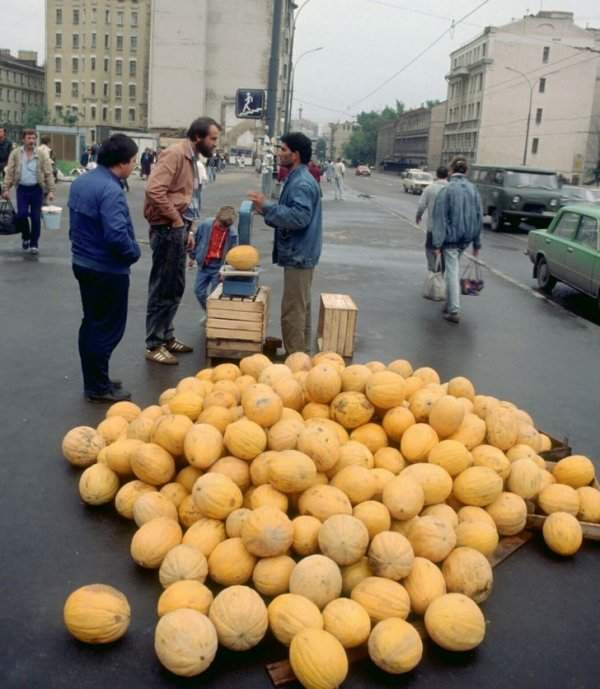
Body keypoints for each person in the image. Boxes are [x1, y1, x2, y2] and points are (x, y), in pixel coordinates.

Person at [68, 134, 141, 403]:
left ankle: (97, 378)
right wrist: (134, 252)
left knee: (91, 323)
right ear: (121, 163)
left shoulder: (82, 182)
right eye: (133, 161)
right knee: (107, 328)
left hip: (83, 262)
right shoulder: (111, 190)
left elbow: (74, 224)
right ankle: (98, 386)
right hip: (107, 269)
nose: (134, 166)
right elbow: (116, 236)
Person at [143, 116, 221, 365]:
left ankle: (166, 336)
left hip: (178, 228)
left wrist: (187, 230)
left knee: (175, 286)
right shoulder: (175, 154)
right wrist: (176, 221)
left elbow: (190, 200)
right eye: (213, 138)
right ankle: (154, 343)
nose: (215, 144)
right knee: (162, 287)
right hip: (166, 228)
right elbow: (154, 190)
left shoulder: (193, 159)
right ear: (197, 137)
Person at [248, 132, 322, 355]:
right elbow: (290, 215)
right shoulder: (298, 177)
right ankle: (301, 355)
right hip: (301, 253)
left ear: (295, 155)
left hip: (299, 254)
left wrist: (268, 206)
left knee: (293, 311)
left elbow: (299, 218)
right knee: (301, 309)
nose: (279, 153)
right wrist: (266, 211)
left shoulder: (301, 183)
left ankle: (295, 360)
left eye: (283, 149)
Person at [431, 157, 483, 324]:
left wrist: (437, 244)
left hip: (450, 238)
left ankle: (453, 310)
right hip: (466, 237)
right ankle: (449, 304)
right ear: (466, 171)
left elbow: (440, 218)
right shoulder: (473, 189)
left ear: (451, 170)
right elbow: (479, 216)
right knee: (451, 269)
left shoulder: (447, 190)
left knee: (451, 272)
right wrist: (477, 243)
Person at [2, 129, 55, 254]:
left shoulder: (41, 154)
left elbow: (48, 172)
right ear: (23, 139)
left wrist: (51, 191)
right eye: (29, 138)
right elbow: (10, 172)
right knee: (22, 214)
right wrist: (6, 189)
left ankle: (34, 243)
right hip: (22, 189)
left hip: (37, 189)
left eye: (33, 138)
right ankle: (26, 236)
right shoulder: (16, 153)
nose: (32, 141)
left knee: (36, 217)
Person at [191, 206, 238, 313]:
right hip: (204, 265)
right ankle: (209, 312)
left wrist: (225, 270)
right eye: (219, 225)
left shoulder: (232, 234)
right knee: (199, 291)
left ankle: (212, 316)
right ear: (216, 218)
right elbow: (197, 240)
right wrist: (192, 256)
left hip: (218, 267)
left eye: (223, 228)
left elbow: (232, 254)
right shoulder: (206, 225)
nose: (220, 228)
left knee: (214, 295)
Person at [416, 166, 448, 271]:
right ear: (447, 175)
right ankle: (442, 273)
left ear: (436, 175)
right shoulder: (451, 189)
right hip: (447, 230)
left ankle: (432, 270)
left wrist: (418, 216)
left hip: (432, 228)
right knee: (445, 253)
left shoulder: (429, 189)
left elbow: (421, 205)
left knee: (430, 250)